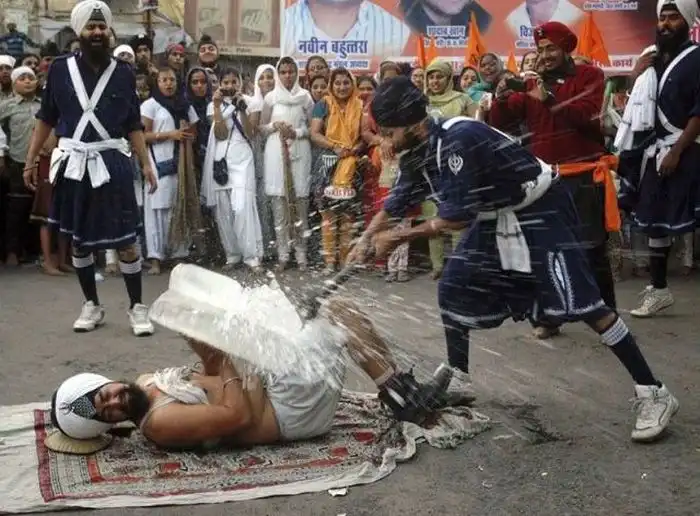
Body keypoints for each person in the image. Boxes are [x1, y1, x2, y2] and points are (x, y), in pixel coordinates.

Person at [350, 76, 679, 443]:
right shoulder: (418, 150)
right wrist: (365, 239)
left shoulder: (459, 138)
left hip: (541, 208)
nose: (386, 142)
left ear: (411, 122)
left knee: (585, 304)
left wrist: (397, 237)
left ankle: (653, 391)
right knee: (454, 285)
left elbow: (458, 217)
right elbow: (396, 203)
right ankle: (458, 377)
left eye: (390, 133)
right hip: (498, 215)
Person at [48, 297, 454, 451]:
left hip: (269, 387)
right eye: (109, 414)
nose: (115, 403)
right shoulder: (159, 422)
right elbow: (238, 415)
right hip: (291, 412)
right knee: (339, 315)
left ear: (103, 383)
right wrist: (223, 352)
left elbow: (214, 377)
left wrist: (204, 347)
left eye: (105, 396)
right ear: (113, 424)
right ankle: (403, 398)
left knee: (318, 310)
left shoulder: (145, 380)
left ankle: (398, 390)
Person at [23, 1, 156, 336]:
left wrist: (146, 163)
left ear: (108, 31)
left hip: (113, 162)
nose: (97, 32)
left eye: (101, 27)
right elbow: (46, 118)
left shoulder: (123, 72)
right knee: (80, 242)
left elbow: (133, 124)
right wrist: (31, 158)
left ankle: (137, 307)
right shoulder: (59, 69)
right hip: (75, 164)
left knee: (126, 241)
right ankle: (92, 304)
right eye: (90, 27)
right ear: (79, 31)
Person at [489, 21, 619, 340]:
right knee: (545, 249)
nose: (545, 55)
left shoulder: (589, 76)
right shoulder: (531, 82)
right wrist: (501, 97)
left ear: (565, 49)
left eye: (551, 49)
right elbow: (501, 121)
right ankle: (548, 316)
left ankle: (609, 316)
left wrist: (547, 98)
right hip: (545, 180)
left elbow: (587, 119)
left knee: (592, 249)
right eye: (540, 50)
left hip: (583, 176)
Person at [618, 0, 700, 316]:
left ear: (688, 22)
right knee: (655, 221)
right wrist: (634, 75)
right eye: (662, 18)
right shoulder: (651, 59)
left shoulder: (696, 59)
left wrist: (677, 151)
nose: (665, 24)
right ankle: (659, 289)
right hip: (655, 153)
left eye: (673, 17)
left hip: (687, 150)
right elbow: (638, 104)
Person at [201, 68, 263, 272]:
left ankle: (251, 256)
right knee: (224, 210)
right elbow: (220, 134)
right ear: (219, 84)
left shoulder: (251, 102)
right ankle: (233, 255)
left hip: (243, 160)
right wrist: (217, 106)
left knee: (242, 207)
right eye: (225, 82)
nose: (229, 86)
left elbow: (251, 133)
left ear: (240, 83)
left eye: (233, 82)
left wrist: (241, 108)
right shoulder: (213, 105)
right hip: (221, 161)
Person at [141, 67, 199, 275]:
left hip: (181, 163)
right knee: (157, 211)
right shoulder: (150, 105)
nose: (168, 84)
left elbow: (194, 132)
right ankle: (156, 258)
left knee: (178, 205)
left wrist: (186, 136)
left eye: (172, 80)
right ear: (157, 83)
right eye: (164, 80)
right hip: (157, 162)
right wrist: (169, 134)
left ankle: (178, 255)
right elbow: (142, 136)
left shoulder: (185, 105)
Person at [260, 57, 315, 272]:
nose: (287, 76)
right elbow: (262, 127)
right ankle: (283, 255)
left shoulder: (306, 97)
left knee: (300, 206)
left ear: (297, 73)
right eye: (283, 72)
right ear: (278, 74)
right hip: (276, 152)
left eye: (291, 71)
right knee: (280, 207)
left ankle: (301, 255)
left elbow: (313, 128)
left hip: (300, 151)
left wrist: (296, 132)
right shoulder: (271, 98)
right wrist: (275, 125)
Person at [0, 66, 41, 267]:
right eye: (22, 78)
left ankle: (36, 251)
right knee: (16, 208)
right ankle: (12, 252)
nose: (27, 81)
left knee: (39, 207)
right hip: (17, 161)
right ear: (14, 83)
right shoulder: (6, 106)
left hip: (42, 162)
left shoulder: (43, 105)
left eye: (30, 78)